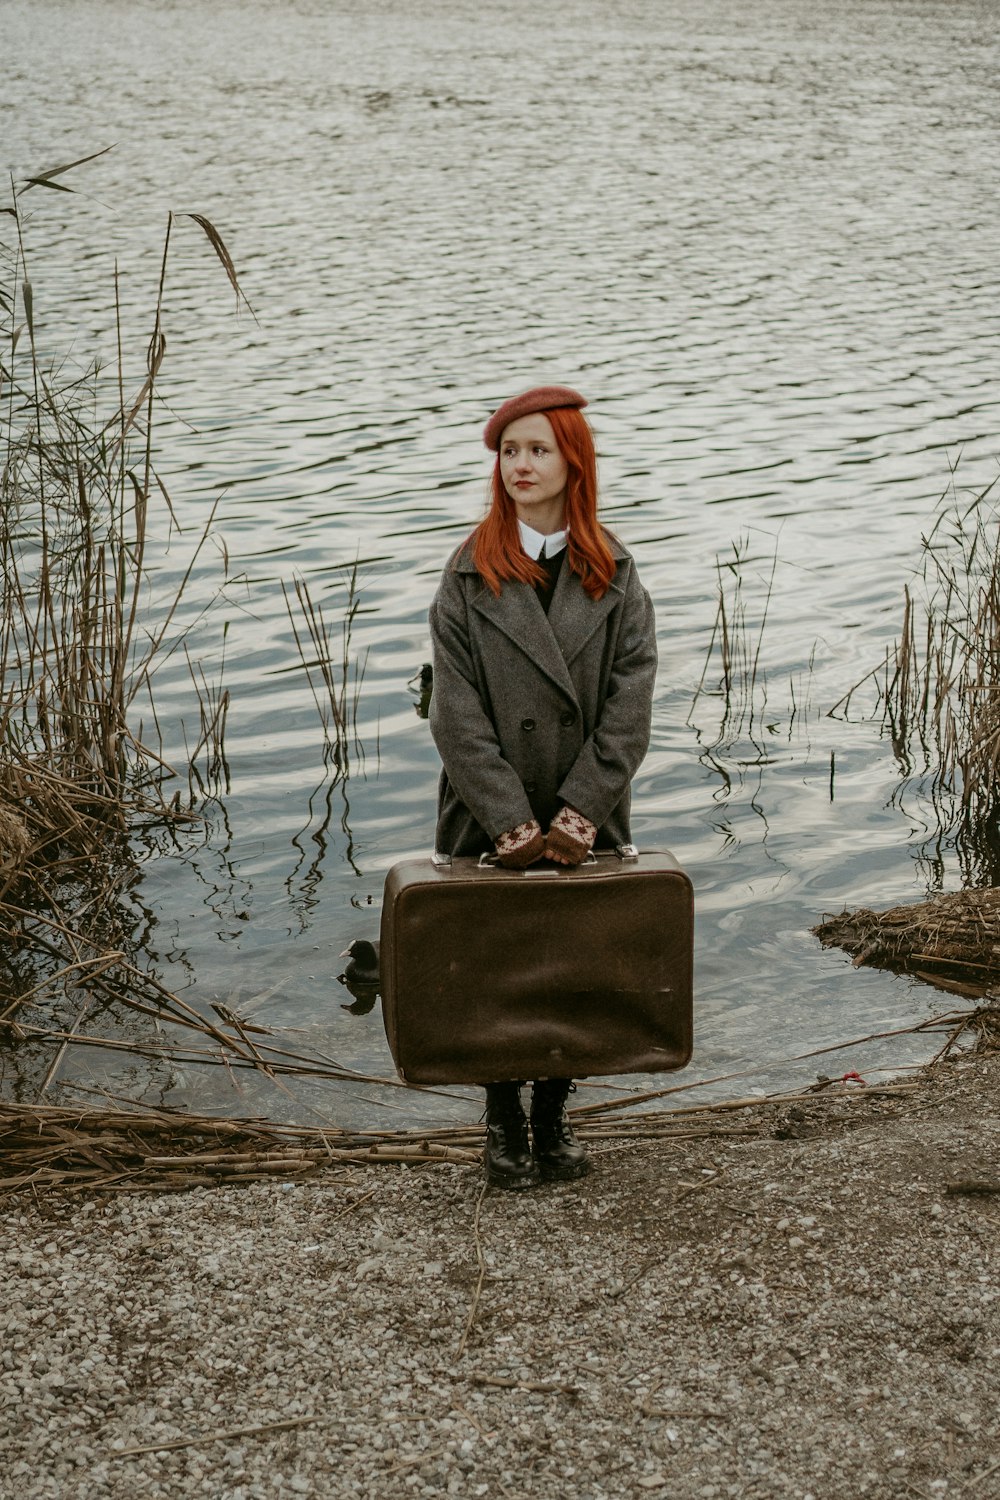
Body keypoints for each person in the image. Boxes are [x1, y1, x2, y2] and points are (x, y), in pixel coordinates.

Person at [428, 385, 657, 1189]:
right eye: (508, 451)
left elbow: (632, 701)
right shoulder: (467, 574)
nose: (519, 465)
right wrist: (508, 822)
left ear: (573, 461)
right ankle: (500, 1121)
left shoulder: (616, 572)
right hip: (488, 808)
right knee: (495, 961)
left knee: (573, 959)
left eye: (537, 450)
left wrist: (580, 810)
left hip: (583, 809)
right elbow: (454, 714)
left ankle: (554, 1115)